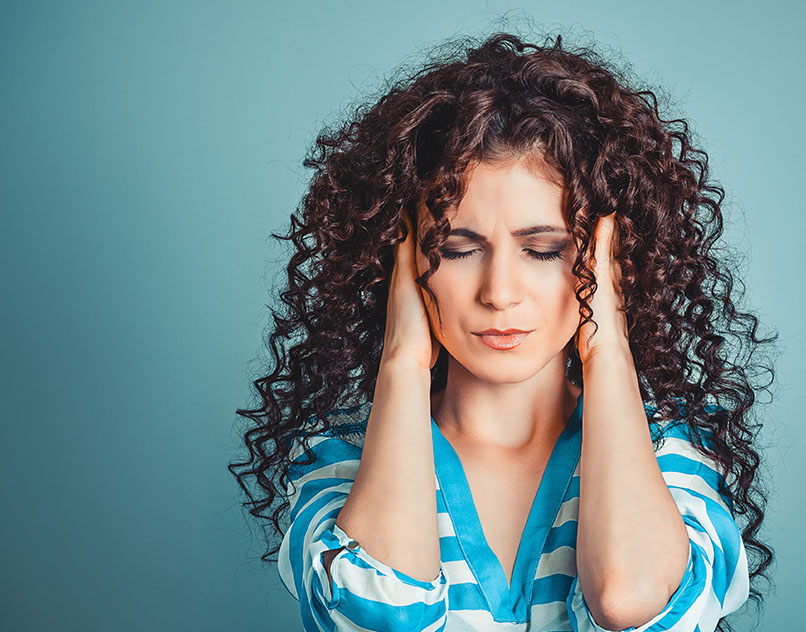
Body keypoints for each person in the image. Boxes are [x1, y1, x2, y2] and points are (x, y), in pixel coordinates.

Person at [231, 31, 776, 632]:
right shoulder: (340, 463)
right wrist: (402, 361)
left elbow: (631, 603)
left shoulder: (669, 459)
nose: (499, 292)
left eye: (543, 250)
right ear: (404, 260)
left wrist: (609, 351)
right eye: (457, 249)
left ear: (607, 262)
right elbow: (383, 616)